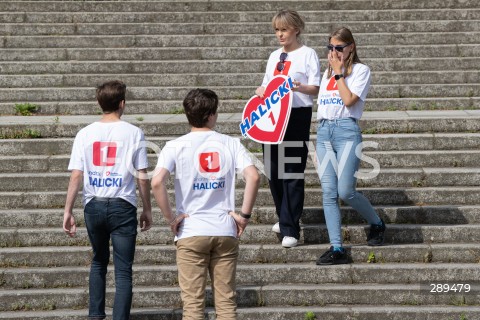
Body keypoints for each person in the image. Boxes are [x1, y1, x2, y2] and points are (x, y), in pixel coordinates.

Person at [151, 88, 260, 320]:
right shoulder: (230, 143)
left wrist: (171, 219)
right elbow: (253, 176)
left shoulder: (175, 145)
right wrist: (244, 216)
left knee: (192, 306)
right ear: (211, 114)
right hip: (224, 229)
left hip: (191, 231)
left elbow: (157, 182)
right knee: (226, 304)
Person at [63, 80, 153, 319]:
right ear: (122, 104)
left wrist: (68, 210)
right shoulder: (134, 132)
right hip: (123, 205)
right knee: (123, 271)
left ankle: (95, 315)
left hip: (94, 205)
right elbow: (142, 176)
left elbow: (76, 175)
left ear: (98, 103)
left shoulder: (84, 133)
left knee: (98, 262)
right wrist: (147, 209)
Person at [315, 27, 386, 265]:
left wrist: (338, 74)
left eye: (339, 48)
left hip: (347, 131)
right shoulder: (326, 73)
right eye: (330, 48)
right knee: (328, 192)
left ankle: (376, 223)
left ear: (351, 47)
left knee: (346, 191)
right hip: (324, 130)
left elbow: (348, 100)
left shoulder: (361, 71)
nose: (334, 53)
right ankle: (337, 247)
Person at [255, 9, 320, 248]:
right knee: (273, 170)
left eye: (284, 29)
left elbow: (316, 88)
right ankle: (284, 215)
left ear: (296, 29)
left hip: (296, 115)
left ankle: (290, 227)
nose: (280, 35)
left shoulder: (307, 54)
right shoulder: (274, 56)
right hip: (272, 115)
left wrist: (298, 87)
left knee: (291, 170)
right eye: (277, 30)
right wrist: (260, 91)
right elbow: (265, 84)